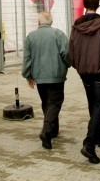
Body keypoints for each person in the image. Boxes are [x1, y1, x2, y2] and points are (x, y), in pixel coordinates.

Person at [69, 0, 100, 164]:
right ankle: (89, 143)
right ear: (97, 5)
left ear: (84, 5)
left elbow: (71, 50)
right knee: (99, 104)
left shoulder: (77, 26)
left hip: (84, 72)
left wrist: (78, 66)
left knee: (93, 103)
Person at [22, 12, 70, 149]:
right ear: (51, 22)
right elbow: (66, 53)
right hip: (56, 75)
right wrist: (67, 64)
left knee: (46, 103)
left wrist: (28, 75)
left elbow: (27, 59)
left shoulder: (31, 36)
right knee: (55, 103)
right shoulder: (59, 34)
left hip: (39, 76)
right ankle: (47, 131)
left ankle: (53, 130)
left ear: (39, 22)